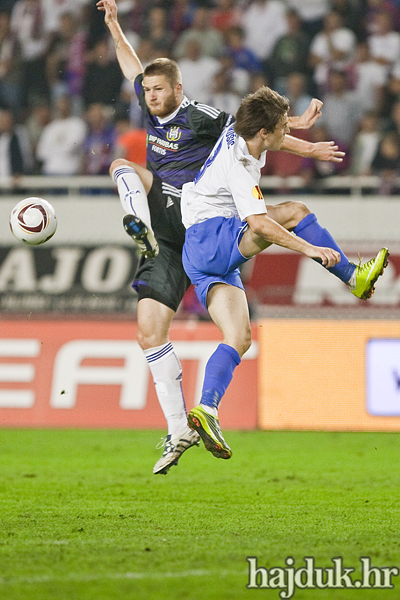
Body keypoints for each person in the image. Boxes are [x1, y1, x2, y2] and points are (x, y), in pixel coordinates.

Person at [97, 0, 345, 476]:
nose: (149, 96)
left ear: (178, 89)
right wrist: (113, 26)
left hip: (198, 221)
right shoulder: (151, 107)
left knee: (124, 167)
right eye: (146, 90)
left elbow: (254, 129)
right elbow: (131, 61)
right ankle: (178, 429)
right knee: (148, 331)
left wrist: (300, 136)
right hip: (167, 239)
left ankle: (140, 225)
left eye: (158, 89)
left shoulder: (199, 116)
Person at [181, 86, 389, 460]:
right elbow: (259, 225)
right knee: (295, 212)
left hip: (199, 253)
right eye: (281, 129)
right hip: (212, 235)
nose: (284, 135)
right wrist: (311, 250)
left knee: (238, 337)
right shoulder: (242, 166)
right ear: (264, 133)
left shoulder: (238, 129)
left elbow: (271, 131)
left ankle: (206, 410)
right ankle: (351, 276)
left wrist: (305, 141)